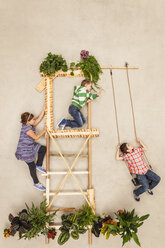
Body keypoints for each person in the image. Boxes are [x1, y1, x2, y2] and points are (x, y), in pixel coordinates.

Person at [15, 107, 47, 191]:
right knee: (31, 165)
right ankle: (36, 183)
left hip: (30, 145)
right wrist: (44, 131)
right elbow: (36, 137)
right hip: (24, 150)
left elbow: (37, 120)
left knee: (43, 149)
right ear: (28, 122)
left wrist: (43, 110)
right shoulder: (27, 128)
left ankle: (39, 165)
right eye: (32, 119)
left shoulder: (28, 124)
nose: (34, 120)